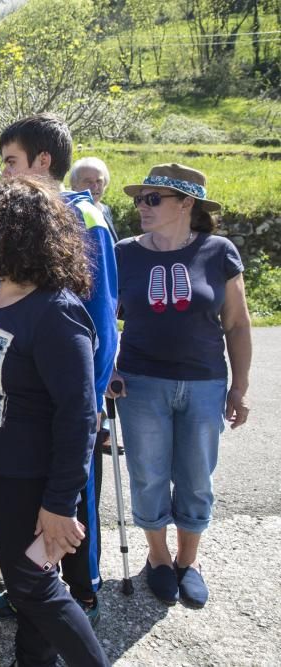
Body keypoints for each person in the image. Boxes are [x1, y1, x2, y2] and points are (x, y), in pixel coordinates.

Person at [0, 177, 109, 667]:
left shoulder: (56, 313)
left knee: (34, 585)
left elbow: (79, 415)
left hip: (29, 479)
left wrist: (60, 504)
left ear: (13, 234)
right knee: (29, 584)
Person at [0, 113, 118, 625]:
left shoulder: (85, 218)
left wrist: (92, 398)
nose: (5, 174)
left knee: (68, 503)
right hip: (30, 396)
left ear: (42, 161)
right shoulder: (31, 217)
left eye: (11, 162)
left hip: (68, 395)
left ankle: (80, 594)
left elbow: (99, 316)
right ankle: (31, 594)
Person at [109, 164, 252, 608]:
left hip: (205, 382)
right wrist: (106, 370)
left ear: (186, 203)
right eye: (139, 199)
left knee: (195, 478)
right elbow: (102, 320)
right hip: (140, 383)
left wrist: (240, 387)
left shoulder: (219, 251)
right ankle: (158, 559)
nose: (141, 207)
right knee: (148, 475)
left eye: (153, 199)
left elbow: (237, 324)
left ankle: (189, 562)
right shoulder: (124, 252)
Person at [70, 157, 117, 237]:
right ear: (74, 185)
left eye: (99, 181)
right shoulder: (70, 213)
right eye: (88, 182)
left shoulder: (105, 209)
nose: (95, 187)